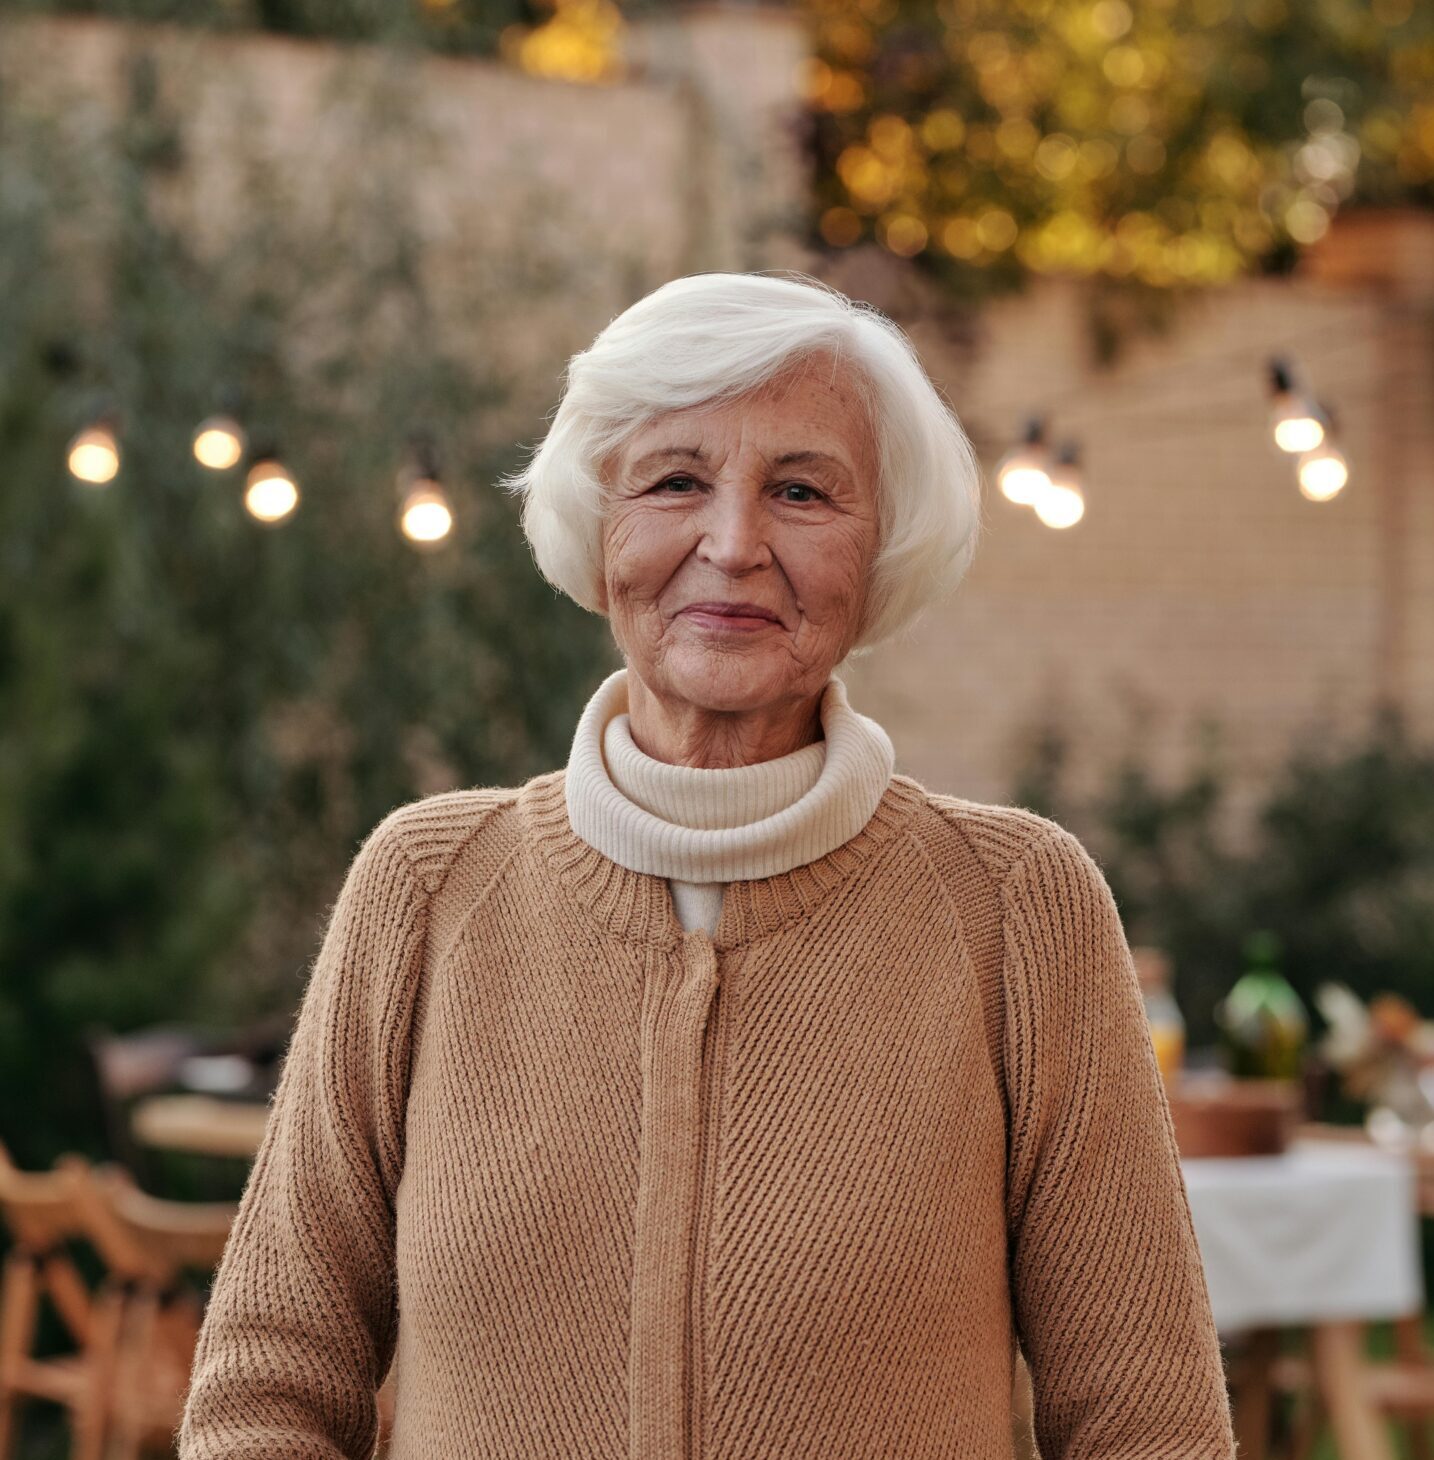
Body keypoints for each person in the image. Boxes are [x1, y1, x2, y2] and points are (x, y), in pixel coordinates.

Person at [176, 271, 1237, 1460]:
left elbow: (1149, 1424)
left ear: (884, 544)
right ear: (598, 525)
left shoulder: (1016, 905)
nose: (733, 545)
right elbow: (270, 1379)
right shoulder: (426, 887)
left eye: (801, 489)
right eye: (675, 481)